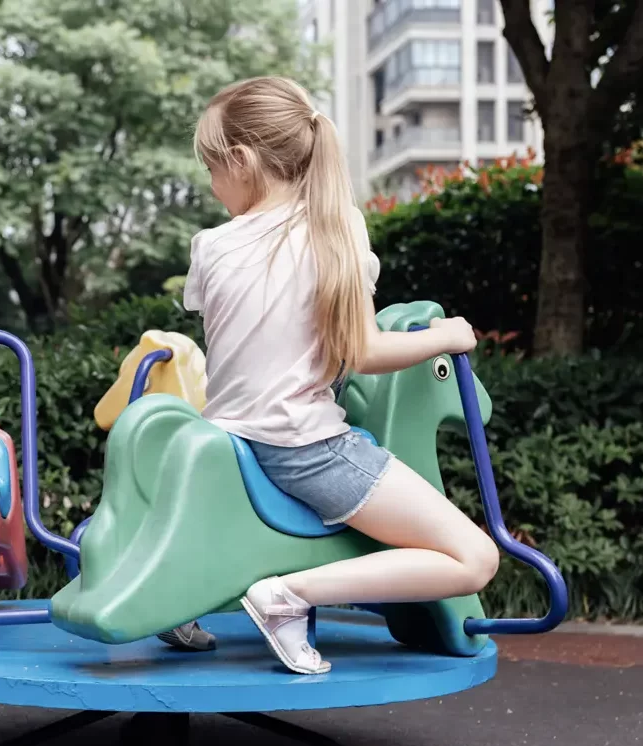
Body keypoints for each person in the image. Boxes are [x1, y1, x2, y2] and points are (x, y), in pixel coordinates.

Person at [157, 76, 499, 674]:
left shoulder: (210, 246)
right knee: (476, 558)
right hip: (304, 448)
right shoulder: (335, 232)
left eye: (211, 169)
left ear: (242, 161)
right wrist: (446, 337)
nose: (212, 186)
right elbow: (362, 352)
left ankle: (182, 593)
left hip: (226, 438)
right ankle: (289, 595)